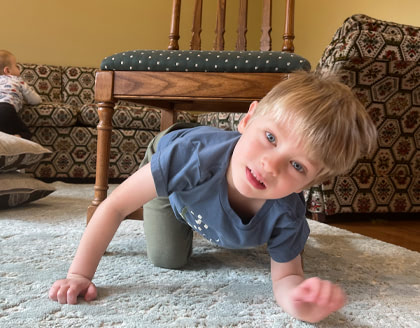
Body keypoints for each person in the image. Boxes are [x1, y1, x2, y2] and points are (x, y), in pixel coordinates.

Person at [49, 71, 377, 323]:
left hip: (202, 172)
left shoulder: (287, 214)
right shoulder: (188, 158)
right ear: (248, 119)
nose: (270, 165)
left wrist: (300, 304)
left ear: (311, 182)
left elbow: (288, 277)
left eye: (296, 165)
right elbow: (116, 206)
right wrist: (79, 276)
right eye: (270, 137)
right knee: (168, 259)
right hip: (174, 155)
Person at [0, 50, 42, 139]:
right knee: (26, 133)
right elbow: (35, 100)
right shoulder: (17, 80)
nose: (19, 69)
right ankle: (15, 138)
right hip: (5, 110)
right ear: (7, 70)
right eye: (16, 66)